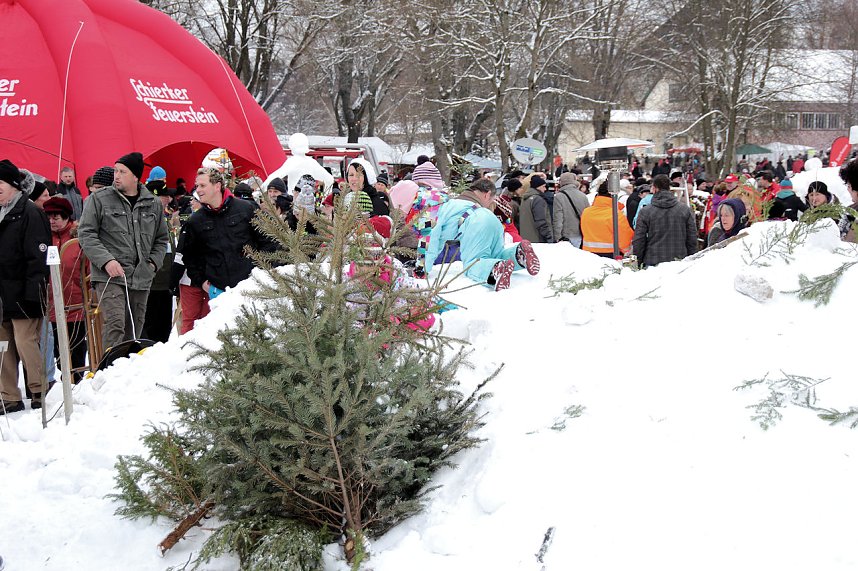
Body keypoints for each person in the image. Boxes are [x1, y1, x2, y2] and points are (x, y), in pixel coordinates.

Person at [78, 152, 169, 350]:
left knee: (134, 329)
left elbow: (162, 239)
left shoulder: (152, 203)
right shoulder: (99, 199)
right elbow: (86, 233)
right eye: (116, 171)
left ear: (136, 176)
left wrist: (153, 263)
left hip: (141, 275)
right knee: (115, 323)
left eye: (122, 171)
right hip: (110, 275)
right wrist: (106, 261)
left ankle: (128, 373)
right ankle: (109, 371)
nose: (116, 175)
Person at [177, 167, 276, 303]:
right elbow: (190, 256)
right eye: (196, 186)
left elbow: (268, 241)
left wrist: (262, 273)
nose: (198, 190)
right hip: (219, 291)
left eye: (202, 185)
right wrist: (203, 283)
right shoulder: (196, 220)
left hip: (251, 287)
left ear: (217, 186)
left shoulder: (245, 209)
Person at [0, 159, 51, 414]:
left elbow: (38, 258)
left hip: (24, 293)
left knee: (25, 342)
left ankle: (38, 388)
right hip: (1, 295)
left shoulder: (30, 212)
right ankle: (9, 395)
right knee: (3, 345)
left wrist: (35, 294)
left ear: (13, 185)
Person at [424, 178, 540, 291]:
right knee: (496, 255)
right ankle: (518, 254)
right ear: (486, 194)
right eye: (491, 200)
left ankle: (495, 269)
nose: (490, 203)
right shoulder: (467, 205)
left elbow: (432, 238)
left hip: (476, 222)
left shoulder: (448, 205)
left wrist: (423, 268)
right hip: (494, 221)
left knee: (473, 262)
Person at [44, 196, 88, 383]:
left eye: (56, 217)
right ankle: (65, 382)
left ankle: (76, 381)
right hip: (54, 303)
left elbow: (87, 269)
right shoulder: (45, 238)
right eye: (49, 217)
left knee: (77, 346)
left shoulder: (78, 238)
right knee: (58, 351)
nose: (52, 221)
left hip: (77, 303)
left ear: (66, 217)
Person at [632, 174, 698, 267]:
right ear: (669, 188)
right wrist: (691, 260)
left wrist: (638, 262)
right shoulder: (684, 210)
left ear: (654, 188)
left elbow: (639, 240)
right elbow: (692, 238)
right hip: (679, 261)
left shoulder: (645, 212)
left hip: (653, 261)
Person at [581, 178, 634, 258]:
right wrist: (628, 252)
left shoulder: (586, 212)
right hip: (610, 254)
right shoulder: (615, 214)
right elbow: (624, 239)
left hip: (588, 254)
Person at [552, 172, 589, 247]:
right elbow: (588, 216)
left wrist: (557, 237)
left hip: (566, 235)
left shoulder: (559, 197)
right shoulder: (583, 196)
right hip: (581, 234)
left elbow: (558, 219)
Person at [518, 175, 555, 243]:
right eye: (543, 186)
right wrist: (548, 236)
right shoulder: (538, 199)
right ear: (538, 187)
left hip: (526, 237)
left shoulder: (525, 198)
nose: (545, 189)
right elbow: (541, 221)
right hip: (537, 239)